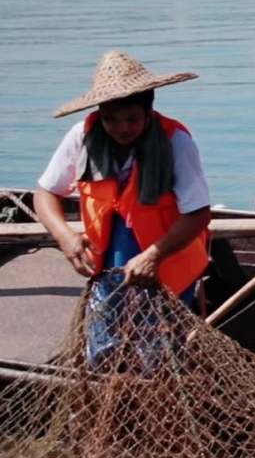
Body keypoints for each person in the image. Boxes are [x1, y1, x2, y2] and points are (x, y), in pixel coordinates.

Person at [35, 50, 212, 367]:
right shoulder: (83, 136)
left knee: (158, 359)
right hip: (107, 270)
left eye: (132, 119)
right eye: (111, 119)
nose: (121, 128)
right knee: (103, 354)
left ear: (148, 112)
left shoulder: (176, 142)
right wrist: (66, 238)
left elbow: (198, 212)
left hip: (168, 267)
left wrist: (153, 256)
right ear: (100, 114)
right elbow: (46, 194)